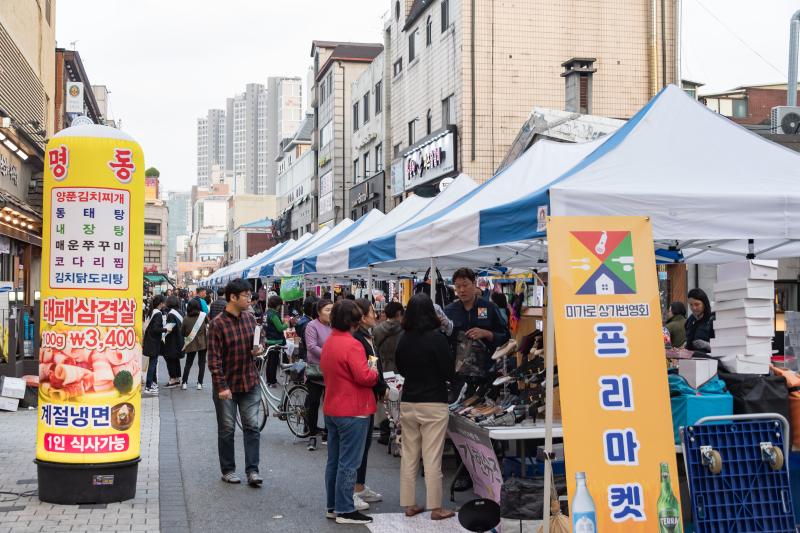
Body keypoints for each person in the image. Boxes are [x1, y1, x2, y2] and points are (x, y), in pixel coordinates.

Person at [396, 293, 456, 520]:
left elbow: (401, 368)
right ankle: (436, 508)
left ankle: (409, 504)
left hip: (409, 401)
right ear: (432, 313)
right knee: (432, 457)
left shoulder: (404, 338)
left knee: (409, 455)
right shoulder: (437, 338)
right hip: (434, 402)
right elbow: (448, 371)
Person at [321, 299, 379, 525]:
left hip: (333, 407)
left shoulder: (330, 341)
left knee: (334, 461)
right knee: (349, 463)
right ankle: (345, 509)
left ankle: (333, 506)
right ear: (354, 321)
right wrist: (373, 366)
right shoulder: (353, 344)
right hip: (353, 410)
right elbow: (365, 377)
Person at [207, 279, 266, 487]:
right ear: (233, 297)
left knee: (252, 427)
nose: (250, 298)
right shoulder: (217, 324)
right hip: (227, 386)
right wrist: (221, 386)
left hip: (249, 381)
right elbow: (214, 360)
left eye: (250, 295)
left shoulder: (251, 319)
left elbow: (260, 340)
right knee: (227, 429)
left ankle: (253, 471)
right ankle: (228, 470)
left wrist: (258, 348)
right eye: (246, 295)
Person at [352, 299, 387, 510]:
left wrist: (380, 385)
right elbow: (367, 371)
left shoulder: (367, 336)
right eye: (373, 311)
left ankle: (360, 485)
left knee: (364, 446)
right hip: (358, 401)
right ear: (363, 317)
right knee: (357, 448)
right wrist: (378, 383)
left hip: (369, 396)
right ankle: (354, 490)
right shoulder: (356, 339)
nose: (377, 314)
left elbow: (373, 364)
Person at [305, 299, 333, 451]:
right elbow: (311, 346)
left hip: (331, 370)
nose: (330, 313)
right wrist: (331, 354)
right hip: (316, 370)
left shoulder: (333, 326)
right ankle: (312, 435)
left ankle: (328, 433)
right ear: (318, 312)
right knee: (314, 404)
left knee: (329, 403)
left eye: (332, 310)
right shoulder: (312, 325)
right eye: (327, 310)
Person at [181, 299, 208, 390]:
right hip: (203, 343)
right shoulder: (203, 316)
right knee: (202, 363)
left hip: (191, 343)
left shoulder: (186, 318)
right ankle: (199, 383)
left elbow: (182, 333)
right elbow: (207, 326)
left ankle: (184, 382)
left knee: (188, 363)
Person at [264, 295, 290, 386]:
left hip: (268, 340)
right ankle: (272, 381)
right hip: (275, 341)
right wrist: (286, 323)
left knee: (270, 361)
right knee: (273, 362)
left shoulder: (267, 313)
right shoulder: (274, 314)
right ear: (277, 305)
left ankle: (269, 380)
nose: (280, 307)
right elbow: (280, 328)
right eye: (279, 305)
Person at [143, 295, 166, 394]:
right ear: (161, 303)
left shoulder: (152, 312)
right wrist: (166, 329)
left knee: (153, 363)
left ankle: (152, 383)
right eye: (164, 302)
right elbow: (156, 329)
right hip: (154, 342)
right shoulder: (158, 314)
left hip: (149, 341)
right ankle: (148, 386)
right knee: (153, 364)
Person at [373, 302, 404, 373]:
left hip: (381, 370)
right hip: (399, 372)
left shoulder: (376, 330)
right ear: (399, 313)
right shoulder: (404, 331)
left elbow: (372, 353)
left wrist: (372, 371)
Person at [163, 295, 185, 388]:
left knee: (170, 359)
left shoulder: (171, 314)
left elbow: (169, 328)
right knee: (175, 360)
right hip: (180, 339)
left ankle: (173, 379)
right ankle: (177, 378)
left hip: (172, 341)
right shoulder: (181, 312)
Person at [685, 288, 714, 353]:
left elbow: (722, 346)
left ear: (704, 303)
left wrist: (707, 345)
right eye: (691, 305)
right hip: (692, 359)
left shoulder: (712, 319)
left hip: (709, 360)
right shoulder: (690, 320)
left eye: (697, 304)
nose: (694, 308)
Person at [295, 296, 318, 361]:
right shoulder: (308, 324)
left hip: (304, 355)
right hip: (309, 358)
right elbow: (310, 345)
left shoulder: (303, 320)